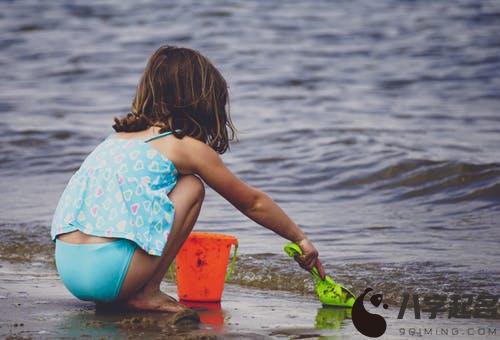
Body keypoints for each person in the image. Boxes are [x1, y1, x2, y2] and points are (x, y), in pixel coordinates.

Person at [50, 45, 326, 313]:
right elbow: (252, 202)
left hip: (69, 268)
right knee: (192, 186)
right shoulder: (183, 146)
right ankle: (147, 292)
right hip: (109, 274)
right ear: (201, 102)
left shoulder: (114, 140)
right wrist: (299, 238)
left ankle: (125, 290)